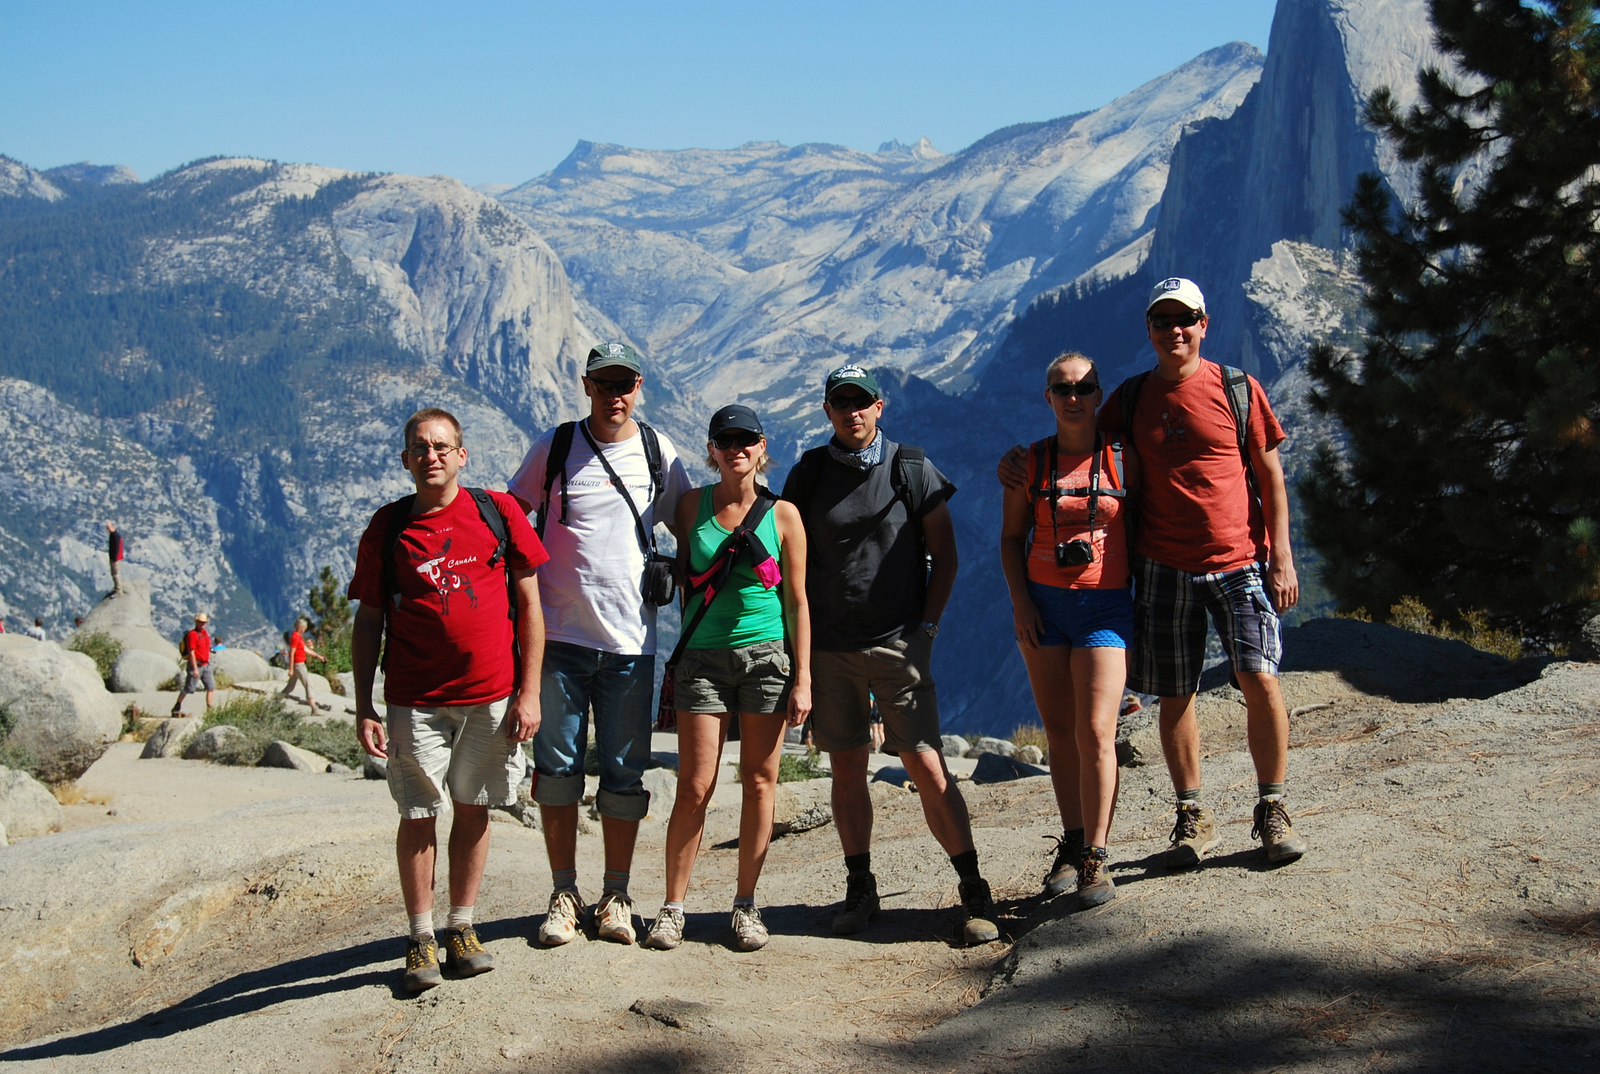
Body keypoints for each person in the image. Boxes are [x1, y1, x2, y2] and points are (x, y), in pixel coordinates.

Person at [999, 277, 1306, 867]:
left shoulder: (1237, 389)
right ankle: (1192, 811)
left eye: (1185, 320)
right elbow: (1079, 438)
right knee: (1175, 693)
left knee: (1260, 678)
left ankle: (1272, 806)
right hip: (1162, 569)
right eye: (1163, 322)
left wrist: (1281, 555)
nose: (1175, 331)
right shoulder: (1131, 399)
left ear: (1204, 323)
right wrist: (1016, 461)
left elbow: (1270, 475)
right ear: (1150, 331)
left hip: (1239, 560)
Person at [782, 364, 999, 946]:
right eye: (840, 403)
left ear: (880, 406)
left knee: (926, 763)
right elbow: (789, 564)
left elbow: (947, 558)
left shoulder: (911, 468)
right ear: (827, 410)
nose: (852, 413)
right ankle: (860, 885)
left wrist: (925, 630)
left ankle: (972, 886)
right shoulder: (807, 475)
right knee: (848, 766)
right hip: (830, 649)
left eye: (862, 402)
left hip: (897, 644)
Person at [351, 406, 549, 994]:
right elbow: (368, 619)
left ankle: (461, 926)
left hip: (491, 695)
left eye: (442, 446)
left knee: (476, 805)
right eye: (419, 448)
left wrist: (529, 691)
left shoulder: (498, 512)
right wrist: (364, 704)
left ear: (463, 455)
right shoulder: (387, 529)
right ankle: (419, 936)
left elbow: (531, 606)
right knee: (417, 812)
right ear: (406, 459)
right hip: (414, 700)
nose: (430, 456)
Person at [507, 342, 692, 948]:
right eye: (603, 384)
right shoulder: (554, 447)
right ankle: (565, 893)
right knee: (555, 771)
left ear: (639, 385)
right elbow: (511, 518)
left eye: (625, 384)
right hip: (557, 640)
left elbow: (693, 531)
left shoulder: (657, 451)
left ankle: (616, 895)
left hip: (630, 644)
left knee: (623, 773)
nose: (615, 396)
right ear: (586, 385)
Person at [643, 405, 811, 952]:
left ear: (763, 448)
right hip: (703, 659)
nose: (736, 449)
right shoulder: (692, 506)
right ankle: (673, 908)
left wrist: (804, 678)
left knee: (761, 783)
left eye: (746, 440)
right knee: (694, 785)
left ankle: (745, 904)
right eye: (725, 440)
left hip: (767, 659)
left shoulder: (784, 515)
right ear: (712, 449)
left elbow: (798, 602)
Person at [999, 352, 1133, 910]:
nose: (1073, 397)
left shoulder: (1126, 459)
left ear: (1100, 394)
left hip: (1105, 610)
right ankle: (1074, 841)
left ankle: (1097, 856)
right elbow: (1011, 540)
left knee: (1096, 733)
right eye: (1062, 388)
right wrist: (1021, 605)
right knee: (1058, 733)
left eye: (1084, 387)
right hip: (1044, 608)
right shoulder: (1028, 463)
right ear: (1048, 398)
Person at [280, 617, 329, 710]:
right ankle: (314, 708)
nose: (305, 629)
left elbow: (305, 649)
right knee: (308, 684)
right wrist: (291, 669)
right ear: (300, 627)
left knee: (290, 686)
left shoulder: (298, 637)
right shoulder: (295, 637)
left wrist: (318, 656)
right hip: (298, 665)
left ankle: (276, 700)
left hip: (298, 664)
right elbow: (292, 653)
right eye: (305, 627)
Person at [171, 612, 214, 715]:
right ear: (197, 622)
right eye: (201, 622)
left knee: (211, 687)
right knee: (189, 688)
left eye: (204, 622)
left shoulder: (205, 634)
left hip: (206, 664)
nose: (202, 624)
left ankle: (210, 710)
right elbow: (191, 652)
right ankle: (177, 705)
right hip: (197, 665)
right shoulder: (192, 635)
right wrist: (194, 668)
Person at [107, 521, 125, 596]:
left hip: (116, 559)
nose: (108, 529)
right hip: (114, 558)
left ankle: (118, 591)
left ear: (113, 527)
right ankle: (117, 587)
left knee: (116, 574)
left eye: (109, 528)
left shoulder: (116, 536)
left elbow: (117, 548)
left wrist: (114, 559)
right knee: (114, 574)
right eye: (107, 528)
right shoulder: (113, 535)